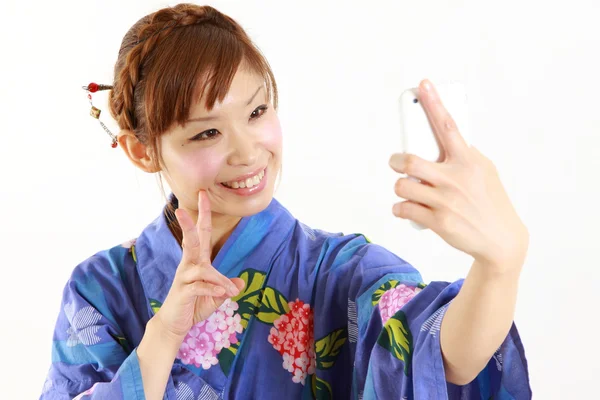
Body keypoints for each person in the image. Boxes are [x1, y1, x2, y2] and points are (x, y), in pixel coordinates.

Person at [40, 3, 531, 399]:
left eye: (257, 111)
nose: (249, 151)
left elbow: (442, 356)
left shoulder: (338, 271)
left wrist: (500, 263)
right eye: (207, 132)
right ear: (142, 150)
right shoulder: (101, 290)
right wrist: (164, 335)